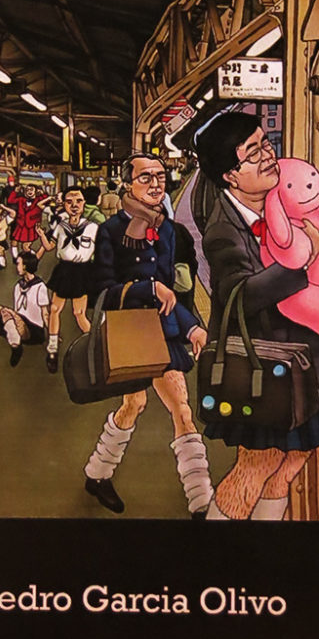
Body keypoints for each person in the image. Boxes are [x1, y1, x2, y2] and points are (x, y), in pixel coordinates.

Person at [193, 112, 319, 521]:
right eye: (253, 152)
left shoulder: (288, 198)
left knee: (295, 458)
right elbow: (239, 294)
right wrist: (302, 264)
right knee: (258, 463)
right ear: (230, 175)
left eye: (265, 143)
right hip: (266, 368)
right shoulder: (223, 230)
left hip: (308, 363)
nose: (268, 155)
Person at [82, 153, 211, 518]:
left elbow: (170, 292)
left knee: (182, 410)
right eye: (146, 178)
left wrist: (192, 326)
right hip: (129, 331)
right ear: (128, 184)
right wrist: (147, 289)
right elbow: (102, 291)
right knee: (134, 404)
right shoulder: (110, 231)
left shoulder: (167, 230)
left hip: (163, 331)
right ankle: (97, 474)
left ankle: (201, 500)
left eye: (160, 176)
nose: (156, 184)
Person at [38, 186, 97, 373]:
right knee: (55, 309)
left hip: (82, 271)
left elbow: (102, 250)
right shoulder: (60, 226)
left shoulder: (93, 228)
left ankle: (94, 347)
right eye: (69, 202)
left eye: (78, 201)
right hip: (64, 270)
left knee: (79, 313)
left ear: (84, 203)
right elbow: (50, 246)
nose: (74, 205)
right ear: (63, 204)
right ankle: (52, 349)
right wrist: (41, 236)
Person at [5, 184, 49, 260]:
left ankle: (34, 257)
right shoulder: (21, 199)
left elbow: (47, 199)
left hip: (31, 226)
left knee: (25, 247)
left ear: (36, 191)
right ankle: (16, 258)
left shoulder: (39, 200)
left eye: (31, 189)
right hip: (21, 225)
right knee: (14, 242)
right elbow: (10, 200)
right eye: (27, 190)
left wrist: (42, 193)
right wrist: (15, 192)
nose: (29, 191)